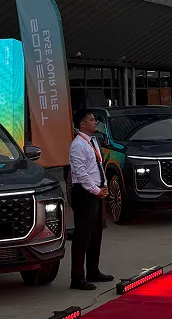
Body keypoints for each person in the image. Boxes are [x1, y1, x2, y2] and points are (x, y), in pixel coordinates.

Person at [68, 109, 113, 290]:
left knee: (96, 233)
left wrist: (104, 185)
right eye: (92, 120)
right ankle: (77, 278)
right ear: (82, 124)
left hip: (96, 191)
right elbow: (81, 173)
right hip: (85, 193)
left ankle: (93, 271)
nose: (95, 122)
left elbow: (97, 166)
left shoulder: (92, 141)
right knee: (82, 235)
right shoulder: (77, 145)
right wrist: (96, 190)